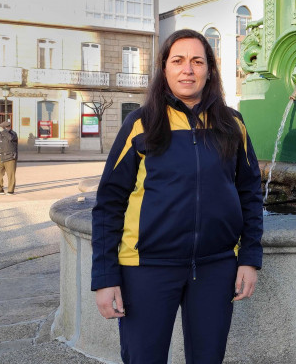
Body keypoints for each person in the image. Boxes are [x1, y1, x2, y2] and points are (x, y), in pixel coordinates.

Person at [91, 29, 263, 364]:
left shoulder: (232, 125)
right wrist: (105, 277)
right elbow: (109, 203)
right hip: (147, 269)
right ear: (165, 69)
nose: (188, 69)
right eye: (178, 61)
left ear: (209, 70)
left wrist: (249, 258)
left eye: (197, 61)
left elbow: (250, 193)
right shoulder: (141, 124)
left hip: (215, 268)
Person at [0, 120, 18, 195]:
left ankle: (10, 190)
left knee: (11, 174)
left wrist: (3, 131)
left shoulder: (13, 134)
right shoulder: (0, 134)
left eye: (1, 127)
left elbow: (10, 138)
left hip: (10, 157)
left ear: (6, 127)